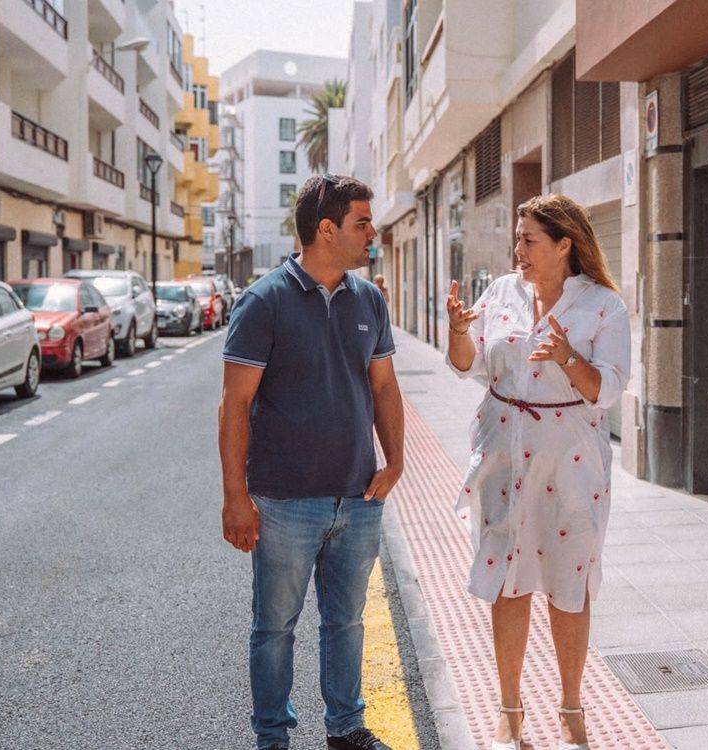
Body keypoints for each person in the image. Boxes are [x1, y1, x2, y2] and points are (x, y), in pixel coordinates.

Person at [218, 173, 404, 750]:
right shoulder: (264, 302)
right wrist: (235, 497)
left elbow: (384, 388)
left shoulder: (369, 298)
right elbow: (236, 405)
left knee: (347, 624)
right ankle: (273, 736)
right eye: (363, 223)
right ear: (327, 230)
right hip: (283, 503)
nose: (373, 233)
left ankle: (345, 728)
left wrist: (394, 463)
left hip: (359, 498)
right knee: (274, 629)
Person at [445, 194, 630, 750]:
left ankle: (572, 708)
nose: (517, 249)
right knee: (508, 577)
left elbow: (610, 389)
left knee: (568, 583)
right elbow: (465, 364)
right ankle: (510, 710)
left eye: (529, 240)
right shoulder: (501, 292)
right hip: (504, 450)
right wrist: (457, 331)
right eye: (518, 238)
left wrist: (569, 357)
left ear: (564, 245)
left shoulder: (602, 306)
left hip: (571, 457)